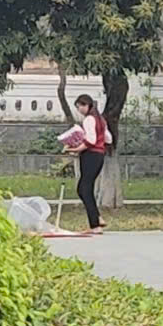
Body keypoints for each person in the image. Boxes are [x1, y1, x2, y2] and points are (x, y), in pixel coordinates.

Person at [64, 94, 111, 234]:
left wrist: (75, 149)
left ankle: (95, 225)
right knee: (85, 188)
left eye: (80, 106)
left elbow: (90, 140)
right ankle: (97, 218)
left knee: (84, 189)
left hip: (90, 155)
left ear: (87, 105)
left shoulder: (89, 119)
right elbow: (108, 139)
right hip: (99, 155)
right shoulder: (101, 119)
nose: (79, 109)